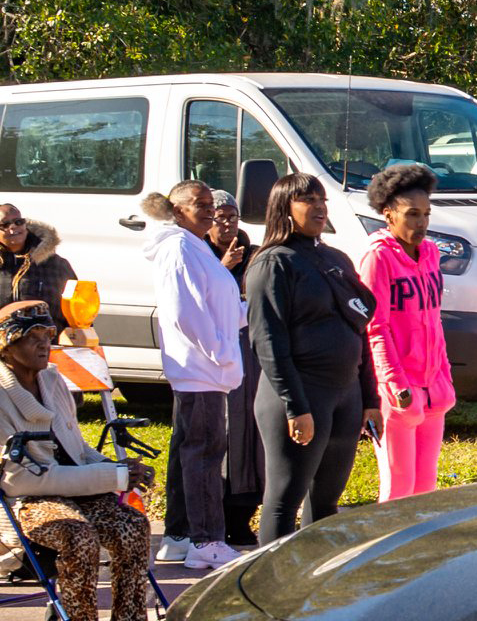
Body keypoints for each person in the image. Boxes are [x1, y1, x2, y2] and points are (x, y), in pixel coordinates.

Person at [0, 301, 155, 621]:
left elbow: (76, 448)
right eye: (31, 338)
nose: (43, 346)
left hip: (73, 489)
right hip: (24, 501)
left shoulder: (52, 380)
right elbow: (21, 480)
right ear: (5, 347)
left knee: (132, 526)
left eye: (47, 337)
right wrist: (112, 476)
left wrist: (120, 469)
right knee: (77, 535)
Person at [245, 173, 382, 543]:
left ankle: (313, 589)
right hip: (301, 394)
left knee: (327, 501)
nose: (320, 206)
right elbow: (268, 341)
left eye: (322, 199)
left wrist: (370, 399)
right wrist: (295, 406)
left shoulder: (335, 259)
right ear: (284, 208)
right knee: (284, 499)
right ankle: (270, 588)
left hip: (345, 394)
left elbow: (360, 329)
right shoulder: (273, 263)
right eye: (308, 199)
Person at [143, 180, 244, 571]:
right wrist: (219, 352)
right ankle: (207, 541)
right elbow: (185, 310)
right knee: (204, 454)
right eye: (199, 204)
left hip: (203, 369)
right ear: (176, 209)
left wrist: (244, 313)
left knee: (189, 451)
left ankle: (180, 536)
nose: (209, 210)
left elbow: (215, 299)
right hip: (201, 369)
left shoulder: (194, 245)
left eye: (210, 204)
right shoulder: (180, 246)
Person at [358, 164, 454, 501]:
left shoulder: (430, 253)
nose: (421, 223)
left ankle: (422, 553)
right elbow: (375, 326)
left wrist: (444, 374)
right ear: (388, 215)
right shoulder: (377, 256)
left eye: (426, 214)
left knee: (426, 487)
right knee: (398, 487)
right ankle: (387, 554)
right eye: (412, 214)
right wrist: (395, 384)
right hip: (396, 391)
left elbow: (434, 319)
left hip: (432, 387)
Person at [208, 191, 260, 545]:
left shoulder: (255, 255)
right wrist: (222, 268)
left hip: (252, 355)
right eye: (219, 217)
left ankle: (243, 516)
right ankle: (219, 515)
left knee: (251, 441)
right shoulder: (201, 255)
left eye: (232, 216)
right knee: (226, 438)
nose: (227, 223)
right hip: (218, 357)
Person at [0, 204, 77, 331]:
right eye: (5, 225)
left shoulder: (56, 265)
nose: (13, 228)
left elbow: (77, 310)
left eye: (18, 222)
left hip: (47, 345)